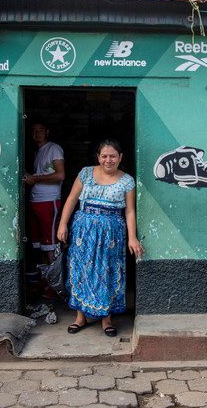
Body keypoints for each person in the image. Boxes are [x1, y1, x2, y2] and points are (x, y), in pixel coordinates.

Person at [56, 139, 143, 337]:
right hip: (83, 231)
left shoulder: (127, 180)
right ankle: (80, 317)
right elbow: (71, 199)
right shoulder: (86, 173)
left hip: (112, 234)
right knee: (80, 270)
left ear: (120, 157)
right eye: (104, 156)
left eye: (113, 156)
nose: (108, 160)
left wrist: (132, 238)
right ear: (98, 157)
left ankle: (106, 319)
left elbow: (129, 211)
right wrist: (62, 224)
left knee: (107, 272)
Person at [24, 121, 65, 298]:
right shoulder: (38, 152)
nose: (37, 133)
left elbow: (60, 175)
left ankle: (56, 287)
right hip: (36, 200)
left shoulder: (53, 149)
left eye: (41, 130)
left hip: (49, 201)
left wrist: (35, 179)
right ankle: (46, 281)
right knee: (39, 245)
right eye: (34, 130)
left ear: (47, 131)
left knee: (50, 246)